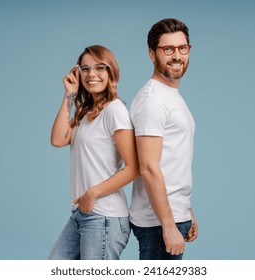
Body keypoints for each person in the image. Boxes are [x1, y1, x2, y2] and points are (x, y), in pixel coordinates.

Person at [48, 45, 139, 260]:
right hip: (82, 214)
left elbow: (134, 168)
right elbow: (57, 139)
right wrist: (69, 95)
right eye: (85, 69)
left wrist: (92, 193)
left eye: (100, 67)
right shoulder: (84, 112)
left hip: (105, 216)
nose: (92, 74)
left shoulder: (114, 110)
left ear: (111, 72)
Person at [129, 18, 198, 260]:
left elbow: (173, 159)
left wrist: (185, 211)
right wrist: (168, 225)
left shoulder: (171, 95)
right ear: (152, 54)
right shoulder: (153, 100)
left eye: (182, 48)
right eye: (167, 49)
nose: (176, 56)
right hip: (157, 223)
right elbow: (148, 167)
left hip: (172, 215)